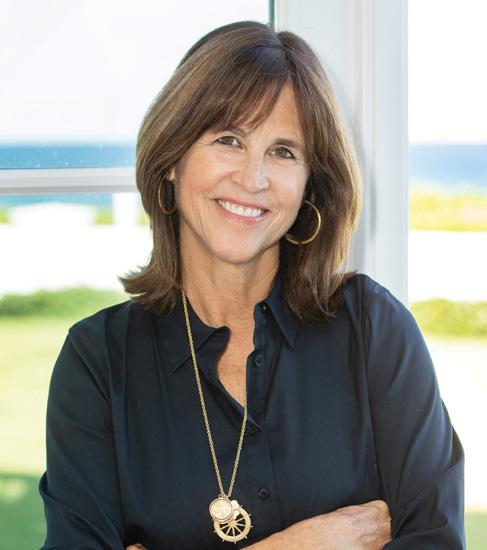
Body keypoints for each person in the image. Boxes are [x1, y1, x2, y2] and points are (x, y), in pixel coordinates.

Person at [38, 20, 465, 549]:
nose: (253, 178)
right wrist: (305, 545)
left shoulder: (373, 329)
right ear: (171, 158)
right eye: (228, 139)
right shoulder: (98, 362)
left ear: (310, 183)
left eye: (283, 151)